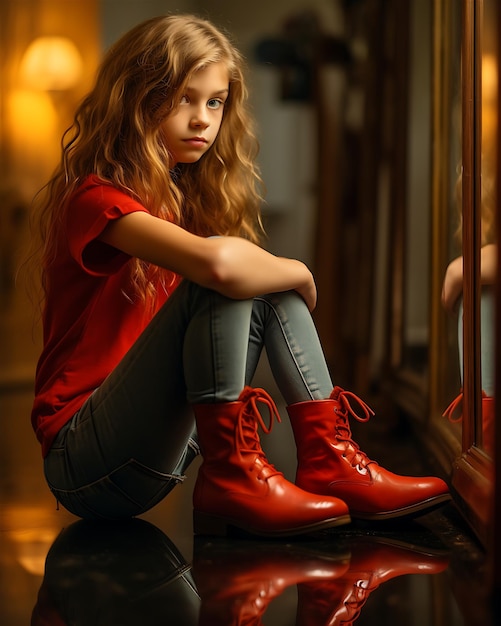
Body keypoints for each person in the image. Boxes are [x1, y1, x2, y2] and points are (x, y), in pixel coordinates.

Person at [29, 14, 450, 538]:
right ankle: (233, 473)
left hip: (158, 455)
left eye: (215, 101)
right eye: (183, 97)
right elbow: (221, 266)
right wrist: (299, 270)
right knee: (227, 270)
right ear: (135, 98)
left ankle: (331, 460)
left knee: (253, 280)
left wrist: (276, 276)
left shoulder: (182, 206)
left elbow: (231, 267)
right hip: (83, 460)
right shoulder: (95, 200)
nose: (203, 118)